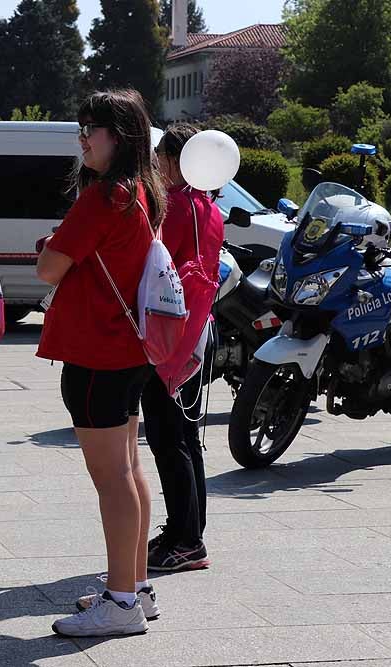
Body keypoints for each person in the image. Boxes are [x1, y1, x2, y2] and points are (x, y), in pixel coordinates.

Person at [35, 90, 167, 637]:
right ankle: (135, 588)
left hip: (97, 351)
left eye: (92, 128)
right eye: (82, 127)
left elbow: (48, 268)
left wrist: (54, 247)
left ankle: (121, 602)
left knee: (112, 479)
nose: (83, 138)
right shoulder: (142, 191)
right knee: (129, 470)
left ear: (122, 135)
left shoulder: (104, 196)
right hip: (129, 349)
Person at [138, 123, 223, 572]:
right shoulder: (208, 206)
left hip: (174, 337)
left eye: (160, 159)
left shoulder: (176, 207)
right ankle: (185, 531)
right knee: (184, 439)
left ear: (177, 160)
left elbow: (156, 268)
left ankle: (187, 540)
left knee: (170, 440)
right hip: (196, 331)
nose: (155, 166)